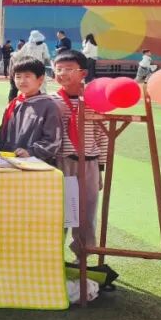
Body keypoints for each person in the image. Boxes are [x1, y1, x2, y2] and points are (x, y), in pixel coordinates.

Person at [52, 51, 108, 257]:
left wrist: (100, 167)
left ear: (83, 73)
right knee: (62, 211)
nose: (62, 73)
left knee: (87, 211)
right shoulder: (52, 100)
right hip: (62, 162)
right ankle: (54, 255)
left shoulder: (94, 101)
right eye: (58, 69)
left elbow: (103, 136)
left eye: (68, 69)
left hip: (89, 164)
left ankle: (82, 255)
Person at [0, 58, 62, 164]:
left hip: (34, 165)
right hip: (8, 161)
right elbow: (3, 136)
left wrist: (31, 152)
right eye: (18, 76)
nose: (22, 81)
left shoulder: (48, 106)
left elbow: (53, 140)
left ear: (40, 79)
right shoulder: (14, 104)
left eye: (27, 76)